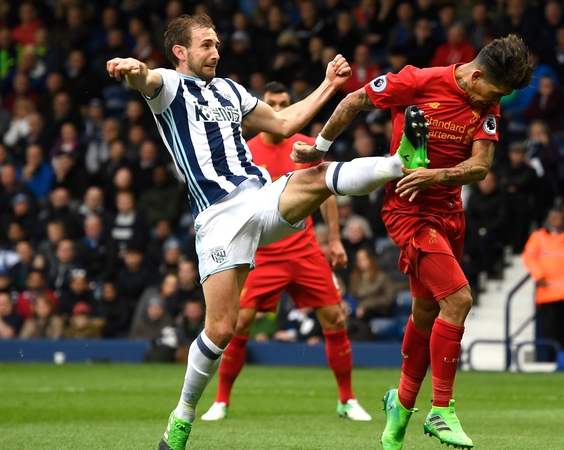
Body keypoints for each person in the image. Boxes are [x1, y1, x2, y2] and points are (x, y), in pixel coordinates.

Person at [107, 14, 413, 450]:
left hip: (260, 196)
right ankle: (183, 416)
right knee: (221, 329)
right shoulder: (170, 88)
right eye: (206, 45)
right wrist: (132, 68)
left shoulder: (231, 90)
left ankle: (401, 162)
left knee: (316, 174)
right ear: (181, 52)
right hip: (217, 219)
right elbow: (146, 79)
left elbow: (285, 124)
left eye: (216, 44)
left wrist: (329, 84)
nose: (216, 51)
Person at [304, 35, 534, 449]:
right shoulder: (417, 81)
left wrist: (437, 176)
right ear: (476, 75)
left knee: (427, 311)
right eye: (494, 93)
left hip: (450, 216)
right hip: (409, 213)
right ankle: (441, 410)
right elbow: (354, 101)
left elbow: (481, 166)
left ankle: (400, 405)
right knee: (459, 300)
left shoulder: (488, 101)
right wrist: (319, 149)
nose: (494, 102)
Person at [201, 82, 371, 423]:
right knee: (239, 323)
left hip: (305, 250)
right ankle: (220, 401)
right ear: (261, 108)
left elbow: (325, 191)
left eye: (283, 102)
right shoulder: (244, 151)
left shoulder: (305, 147)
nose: (278, 108)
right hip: (263, 253)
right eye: (272, 103)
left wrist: (335, 240)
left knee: (335, 319)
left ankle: (347, 399)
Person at [521, 208, 564, 361]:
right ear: (549, 220)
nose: (559, 221)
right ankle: (553, 359)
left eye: (561, 218)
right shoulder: (539, 237)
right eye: (555, 218)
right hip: (547, 291)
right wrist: (539, 275)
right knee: (551, 330)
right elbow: (528, 257)